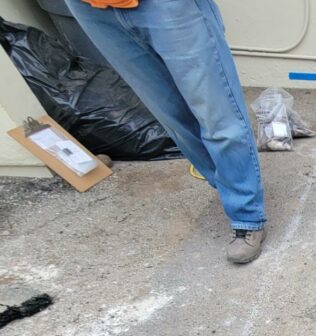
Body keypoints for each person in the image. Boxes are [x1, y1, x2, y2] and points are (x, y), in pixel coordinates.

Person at [63, 0, 268, 264]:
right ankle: (232, 183)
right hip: (92, 7)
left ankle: (247, 215)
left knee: (216, 112)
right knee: (173, 117)